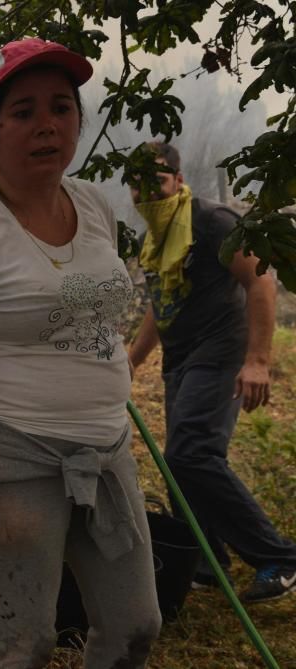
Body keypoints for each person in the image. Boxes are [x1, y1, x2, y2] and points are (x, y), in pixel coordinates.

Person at [0, 38, 161, 668]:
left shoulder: (94, 204)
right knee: (26, 642)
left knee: (136, 627)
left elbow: (93, 309)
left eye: (61, 107)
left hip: (105, 453)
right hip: (12, 451)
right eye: (23, 112)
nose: (47, 124)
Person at [128, 141, 296, 603]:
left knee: (192, 453)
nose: (147, 193)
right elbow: (159, 304)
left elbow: (260, 279)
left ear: (178, 180)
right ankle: (205, 559)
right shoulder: (158, 237)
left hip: (221, 349)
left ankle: (278, 558)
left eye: (157, 181)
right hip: (182, 356)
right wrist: (133, 360)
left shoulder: (210, 221)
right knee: (180, 463)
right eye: (137, 184)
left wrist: (258, 361)